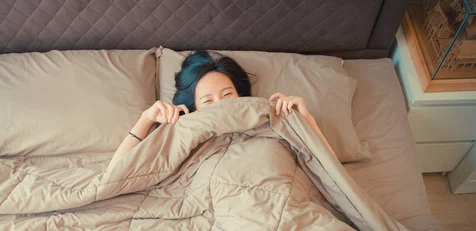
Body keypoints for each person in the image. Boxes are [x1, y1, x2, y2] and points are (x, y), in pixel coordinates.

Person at [107, 50, 319, 170]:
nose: (220, 105)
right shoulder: (182, 129)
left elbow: (327, 168)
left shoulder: (270, 118)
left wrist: (304, 119)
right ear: (194, 108)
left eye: (227, 95)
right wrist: (145, 120)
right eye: (207, 101)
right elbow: (116, 171)